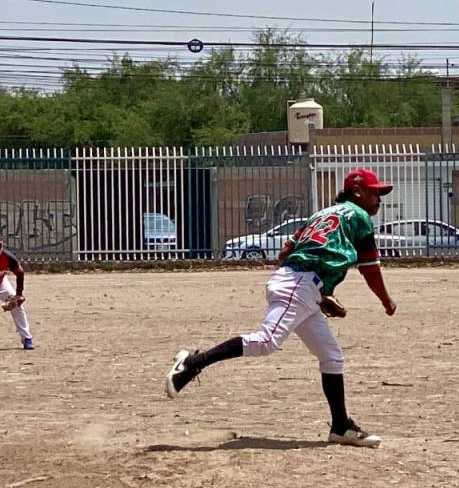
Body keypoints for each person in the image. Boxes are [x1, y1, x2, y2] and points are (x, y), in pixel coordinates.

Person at [165, 168, 397, 447]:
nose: (378, 199)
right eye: (374, 193)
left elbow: (286, 251)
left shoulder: (321, 215)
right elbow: (369, 266)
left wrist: (319, 293)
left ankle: (340, 427)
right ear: (357, 192)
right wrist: (386, 300)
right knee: (265, 342)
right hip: (298, 286)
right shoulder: (358, 216)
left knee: (331, 356)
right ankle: (192, 363)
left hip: (299, 285)